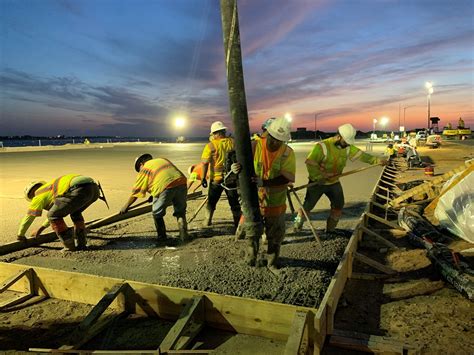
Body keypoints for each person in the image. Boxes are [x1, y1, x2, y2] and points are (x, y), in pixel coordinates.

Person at [293, 124, 387, 233]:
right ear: (339, 136)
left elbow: (362, 156)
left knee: (338, 206)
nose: (347, 144)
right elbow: (310, 163)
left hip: (334, 183)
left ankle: (330, 230)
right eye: (345, 142)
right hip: (317, 183)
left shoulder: (347, 148)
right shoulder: (322, 146)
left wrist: (377, 161)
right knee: (307, 207)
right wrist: (320, 176)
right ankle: (297, 225)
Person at [233, 117, 296, 269]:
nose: (275, 143)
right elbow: (242, 168)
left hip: (275, 203)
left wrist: (264, 182)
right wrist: (236, 169)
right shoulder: (254, 146)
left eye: (279, 140)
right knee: (252, 233)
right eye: (273, 138)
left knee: (275, 236)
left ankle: (272, 263)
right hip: (254, 201)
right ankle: (251, 259)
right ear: (267, 134)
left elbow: (286, 178)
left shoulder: (287, 153)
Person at [18, 175, 100, 251]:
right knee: (75, 212)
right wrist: (40, 229)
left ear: (31, 195)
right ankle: (81, 244)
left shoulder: (38, 195)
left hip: (78, 189)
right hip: (94, 188)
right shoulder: (50, 189)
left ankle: (69, 247)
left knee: (53, 215)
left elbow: (29, 217)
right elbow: (55, 213)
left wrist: (20, 235)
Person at [120, 154, 188, 242]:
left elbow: (136, 192)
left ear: (141, 164)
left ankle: (162, 238)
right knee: (180, 213)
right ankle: (184, 236)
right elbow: (163, 176)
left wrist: (126, 206)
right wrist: (153, 195)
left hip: (165, 187)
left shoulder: (145, 168)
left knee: (157, 214)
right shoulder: (162, 160)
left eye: (138, 169)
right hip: (181, 182)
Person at [200, 121, 241, 229]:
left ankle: (207, 221)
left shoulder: (210, 146)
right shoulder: (233, 142)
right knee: (234, 203)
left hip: (216, 179)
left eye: (213, 134)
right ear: (223, 131)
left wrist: (203, 177)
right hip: (231, 178)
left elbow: (204, 163)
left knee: (211, 202)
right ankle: (237, 224)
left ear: (215, 133)